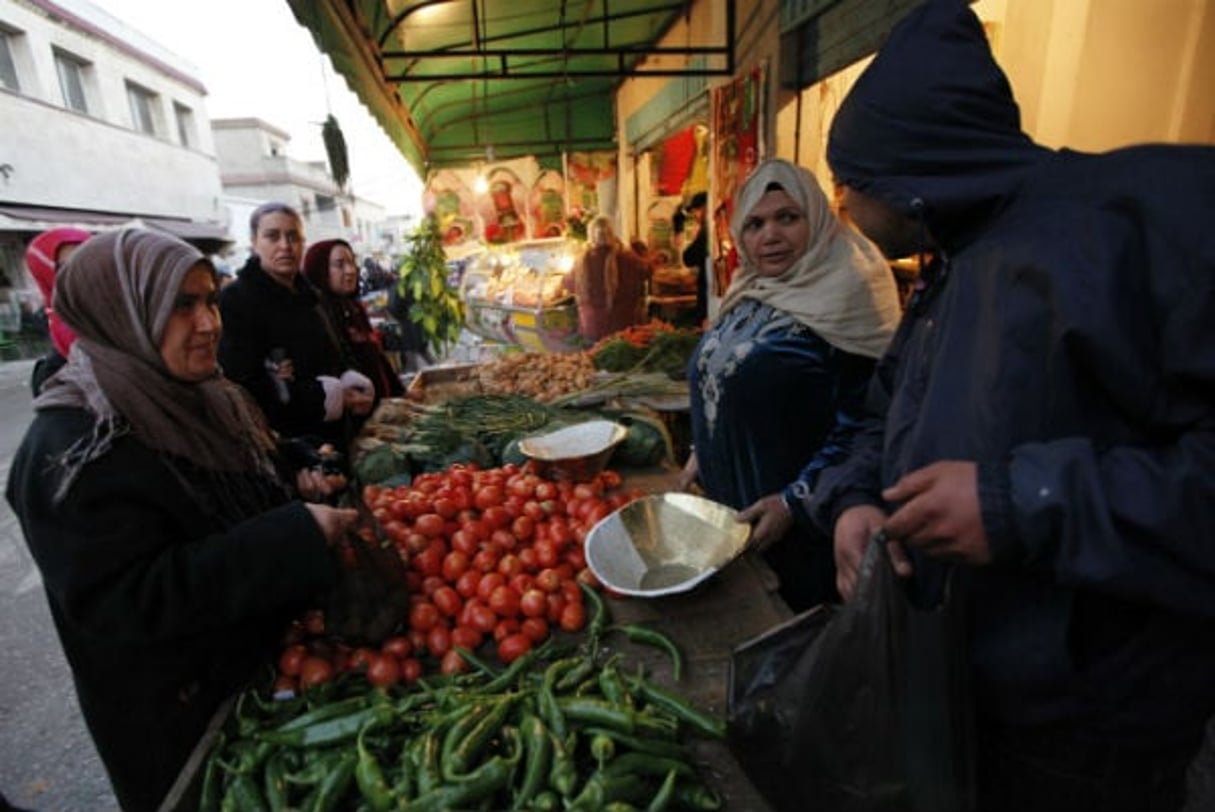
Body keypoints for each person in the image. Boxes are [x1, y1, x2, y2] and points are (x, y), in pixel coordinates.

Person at [803, 2, 1215, 810]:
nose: (842, 199)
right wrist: (852, 498)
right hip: (967, 692)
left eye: (850, 178)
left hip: (1088, 730)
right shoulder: (959, 253)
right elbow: (891, 407)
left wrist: (1023, 502)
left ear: (907, 172)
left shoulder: (1133, 225)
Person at [5, 229, 357, 811]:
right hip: (181, 721)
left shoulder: (202, 395)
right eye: (181, 305)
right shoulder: (70, 445)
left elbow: (245, 466)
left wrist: (294, 467)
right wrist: (291, 536)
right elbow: (128, 599)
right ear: (123, 311)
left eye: (210, 300)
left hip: (256, 677)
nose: (209, 322)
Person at [677, 159, 901, 611]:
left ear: (817, 217)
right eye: (756, 223)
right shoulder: (751, 289)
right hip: (729, 520)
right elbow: (724, 377)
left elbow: (866, 421)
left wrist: (793, 500)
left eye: (788, 218)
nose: (770, 236)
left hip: (800, 531)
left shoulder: (851, 293)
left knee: (789, 646)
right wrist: (705, 445)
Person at [218, 203, 374, 453]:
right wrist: (323, 397)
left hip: (339, 439)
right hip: (291, 451)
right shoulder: (236, 301)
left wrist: (348, 377)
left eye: (293, 237)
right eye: (272, 236)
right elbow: (244, 388)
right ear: (254, 242)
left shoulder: (312, 296)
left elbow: (335, 352)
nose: (285, 246)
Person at [303, 238, 404, 403]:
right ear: (320, 270)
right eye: (339, 264)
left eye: (351, 262)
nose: (350, 270)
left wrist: (400, 392)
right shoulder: (318, 316)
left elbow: (377, 356)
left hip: (381, 409)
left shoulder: (353, 307)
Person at [564, 215, 652, 343]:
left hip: (590, 331)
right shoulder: (626, 257)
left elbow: (567, 283)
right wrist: (642, 251)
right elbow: (648, 271)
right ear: (612, 234)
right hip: (624, 332)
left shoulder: (580, 261)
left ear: (590, 236)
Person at [24, 227, 90, 395]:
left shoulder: (142, 320)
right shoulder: (52, 374)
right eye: (65, 268)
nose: (82, 274)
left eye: (87, 261)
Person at [680, 191, 710, 325]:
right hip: (706, 288)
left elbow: (689, 257)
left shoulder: (707, 230)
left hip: (707, 292)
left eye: (695, 211)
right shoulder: (706, 229)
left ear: (705, 207)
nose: (695, 216)